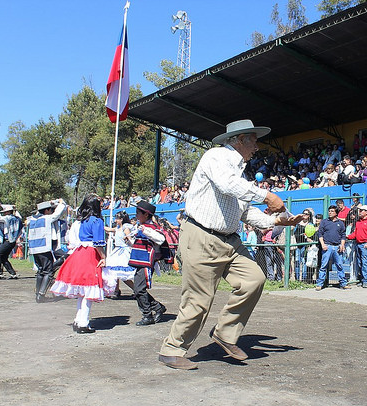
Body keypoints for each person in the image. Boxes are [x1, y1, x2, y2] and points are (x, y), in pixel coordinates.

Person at [159, 119, 305, 370]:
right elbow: (228, 185)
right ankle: (172, 349)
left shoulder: (239, 173)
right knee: (199, 300)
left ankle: (224, 334)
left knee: (254, 280)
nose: (257, 147)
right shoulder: (216, 157)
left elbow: (247, 214)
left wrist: (278, 221)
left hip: (230, 240)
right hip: (202, 236)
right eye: (254, 140)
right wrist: (267, 195)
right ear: (240, 140)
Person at [50, 194, 111, 333]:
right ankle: (83, 322)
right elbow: (98, 243)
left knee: (82, 291)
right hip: (90, 255)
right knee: (89, 289)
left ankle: (78, 320)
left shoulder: (83, 221)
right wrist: (104, 257)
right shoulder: (97, 221)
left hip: (79, 253)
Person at [128, 201, 168, 326]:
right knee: (138, 289)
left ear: (146, 215)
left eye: (138, 213)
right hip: (139, 261)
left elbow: (161, 239)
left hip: (146, 262)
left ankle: (147, 315)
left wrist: (145, 231)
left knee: (139, 289)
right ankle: (157, 307)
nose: (136, 216)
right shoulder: (141, 227)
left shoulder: (151, 228)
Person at [27, 199, 67, 302]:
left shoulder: (32, 219)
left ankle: (38, 293)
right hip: (44, 248)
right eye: (50, 210)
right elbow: (58, 213)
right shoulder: (46, 218)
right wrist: (61, 203)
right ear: (46, 210)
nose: (52, 211)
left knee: (41, 271)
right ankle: (41, 295)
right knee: (48, 272)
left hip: (34, 249)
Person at [102, 211, 135, 299]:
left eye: (118, 218)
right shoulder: (117, 228)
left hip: (123, 251)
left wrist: (130, 243)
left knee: (123, 275)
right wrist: (99, 224)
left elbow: (131, 240)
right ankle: (116, 290)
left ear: (122, 219)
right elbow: (108, 229)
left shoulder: (125, 228)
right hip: (117, 250)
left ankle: (137, 290)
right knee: (114, 272)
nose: (116, 220)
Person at [347, 205, 367, 288]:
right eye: (359, 211)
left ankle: (366, 280)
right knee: (359, 263)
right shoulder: (358, 222)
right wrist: (348, 236)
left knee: (365, 263)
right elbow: (355, 234)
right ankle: (361, 279)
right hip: (358, 244)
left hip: (365, 245)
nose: (360, 212)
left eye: (362, 211)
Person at [0, 203, 23, 279]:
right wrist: (15, 210)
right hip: (12, 240)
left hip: (8, 240)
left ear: (8, 212)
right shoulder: (17, 219)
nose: (5, 213)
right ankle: (12, 273)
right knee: (4, 257)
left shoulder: (7, 218)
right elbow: (20, 217)